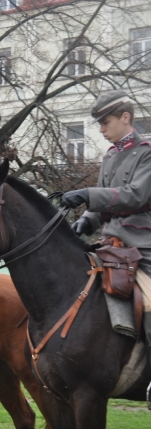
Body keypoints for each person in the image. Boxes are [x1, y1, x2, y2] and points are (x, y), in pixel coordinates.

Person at [64, 90, 151, 337]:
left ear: (125, 117)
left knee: (150, 303)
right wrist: (87, 221)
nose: (101, 129)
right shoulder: (110, 155)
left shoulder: (146, 153)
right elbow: (105, 204)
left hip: (142, 242)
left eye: (106, 122)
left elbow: (134, 195)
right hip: (111, 240)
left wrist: (87, 194)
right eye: (100, 124)